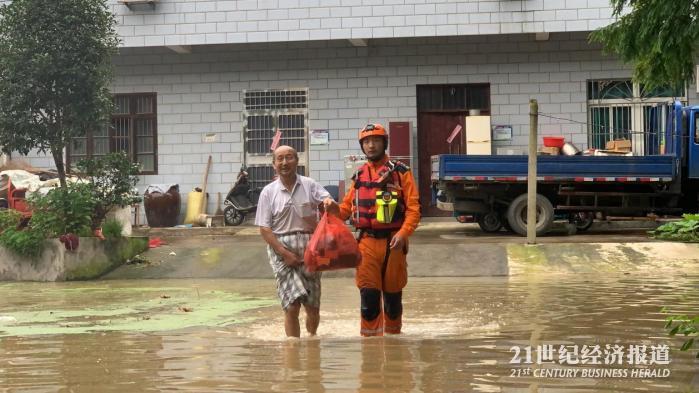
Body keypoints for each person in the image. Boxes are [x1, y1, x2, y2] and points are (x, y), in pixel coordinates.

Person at [324, 124, 420, 336]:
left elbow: (414, 209)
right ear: (362, 146)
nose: (371, 145)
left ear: (384, 143)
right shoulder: (358, 176)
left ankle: (395, 346)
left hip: (394, 243)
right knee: (368, 300)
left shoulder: (401, 172)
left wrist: (404, 234)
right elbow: (345, 211)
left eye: (375, 140)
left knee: (393, 300)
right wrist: (333, 208)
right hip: (366, 243)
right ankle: (370, 351)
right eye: (366, 142)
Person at [256, 145, 336, 338]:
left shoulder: (309, 185)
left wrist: (329, 204)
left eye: (289, 158)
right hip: (282, 250)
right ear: (274, 164)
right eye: (280, 159)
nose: (285, 163)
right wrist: (285, 254)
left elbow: (331, 206)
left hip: (312, 248)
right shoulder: (268, 192)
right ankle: (293, 349)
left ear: (297, 161)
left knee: (312, 306)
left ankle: (312, 341)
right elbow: (264, 229)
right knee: (291, 306)